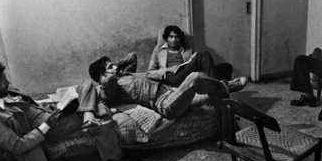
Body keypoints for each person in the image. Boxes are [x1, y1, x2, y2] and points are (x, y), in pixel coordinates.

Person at [0, 61, 142, 161]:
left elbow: (29, 107)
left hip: (53, 112)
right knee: (101, 108)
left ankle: (88, 116)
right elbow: (17, 146)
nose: (8, 83)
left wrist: (52, 104)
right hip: (49, 129)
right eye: (3, 81)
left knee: (85, 84)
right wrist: (47, 125)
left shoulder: (3, 93)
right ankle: (113, 156)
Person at [89, 55, 228, 120]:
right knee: (195, 77)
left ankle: (225, 114)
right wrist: (102, 77)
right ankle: (225, 85)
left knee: (207, 80)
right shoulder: (107, 90)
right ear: (103, 74)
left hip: (172, 93)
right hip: (165, 105)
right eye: (110, 66)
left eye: (114, 64)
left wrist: (116, 65)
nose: (115, 67)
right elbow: (110, 80)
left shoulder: (124, 75)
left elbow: (132, 57)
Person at [147, 25, 248, 93]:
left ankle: (220, 86)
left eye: (177, 37)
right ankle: (221, 88)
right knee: (203, 54)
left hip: (187, 74)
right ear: (166, 38)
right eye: (171, 37)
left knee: (226, 67)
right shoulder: (159, 50)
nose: (174, 40)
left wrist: (192, 59)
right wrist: (169, 69)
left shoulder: (186, 48)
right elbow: (149, 73)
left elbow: (192, 66)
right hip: (173, 79)